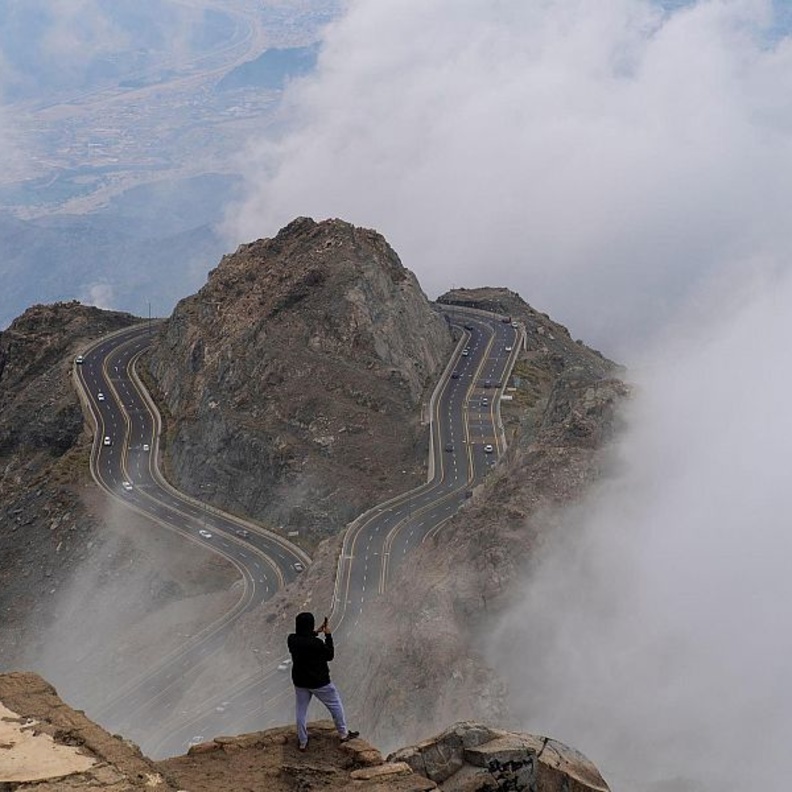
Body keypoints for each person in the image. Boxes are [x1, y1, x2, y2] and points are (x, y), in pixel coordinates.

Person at [287, 612, 359, 751]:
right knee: (335, 705)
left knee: (301, 711)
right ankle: (343, 734)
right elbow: (330, 655)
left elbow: (304, 639)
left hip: (300, 681)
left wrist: (316, 632)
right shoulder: (317, 644)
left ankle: (303, 741)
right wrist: (328, 635)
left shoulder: (292, 639)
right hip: (320, 682)